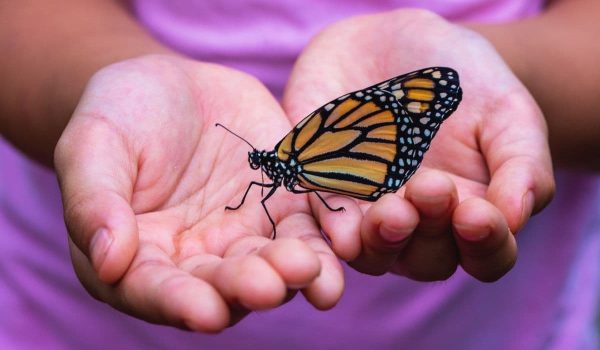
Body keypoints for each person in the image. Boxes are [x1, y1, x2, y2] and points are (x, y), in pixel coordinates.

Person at [1, 0, 598, 348]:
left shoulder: (298, 153)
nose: (262, 168)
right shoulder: (288, 161)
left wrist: (517, 74)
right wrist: (102, 87)